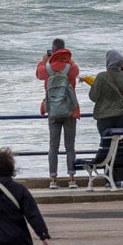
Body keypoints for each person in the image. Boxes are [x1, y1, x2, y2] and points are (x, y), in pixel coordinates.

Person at [35, 39, 81, 189]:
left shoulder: (47, 68)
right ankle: (72, 179)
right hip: (69, 111)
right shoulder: (71, 67)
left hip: (53, 111)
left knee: (53, 146)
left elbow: (38, 74)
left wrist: (43, 61)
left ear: (52, 51)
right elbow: (77, 70)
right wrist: (70, 60)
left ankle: (53, 180)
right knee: (70, 147)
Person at [88, 50, 123, 187]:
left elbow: (92, 96)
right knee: (119, 148)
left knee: (107, 147)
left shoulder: (101, 77)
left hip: (104, 118)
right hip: (121, 116)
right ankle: (119, 179)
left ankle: (108, 179)